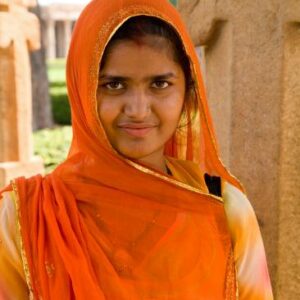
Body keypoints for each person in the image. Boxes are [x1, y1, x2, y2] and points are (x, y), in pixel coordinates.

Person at [0, 0, 273, 299]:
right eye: (114, 85)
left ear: (188, 91)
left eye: (160, 84)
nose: (139, 110)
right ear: (82, 87)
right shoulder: (25, 217)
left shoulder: (225, 209)